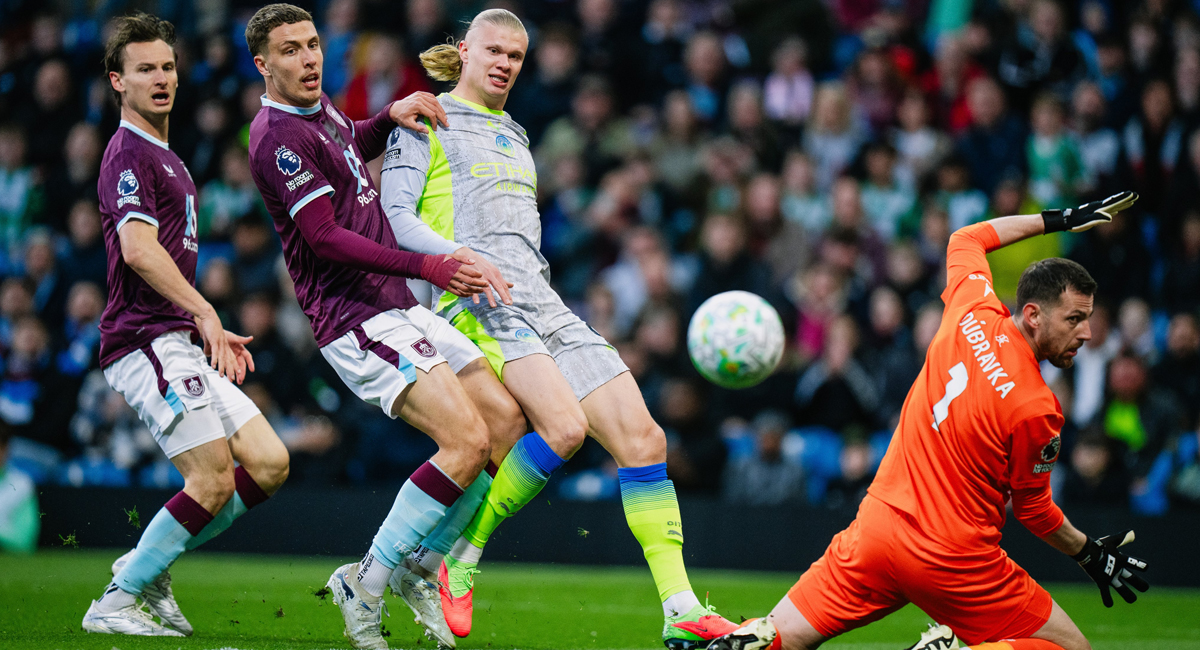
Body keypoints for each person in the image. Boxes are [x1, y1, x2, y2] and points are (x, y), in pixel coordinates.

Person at [379, 9, 738, 649]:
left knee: (644, 438)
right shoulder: (424, 117)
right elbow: (395, 216)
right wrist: (454, 263)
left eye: (516, 56)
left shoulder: (516, 131)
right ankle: (459, 560)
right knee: (564, 428)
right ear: (464, 50)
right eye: (493, 50)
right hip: (473, 296)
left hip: (540, 296)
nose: (504, 64)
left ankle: (680, 609)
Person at [708, 192, 1151, 650]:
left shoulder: (971, 308)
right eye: (1075, 318)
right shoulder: (1037, 408)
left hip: (877, 530)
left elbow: (968, 236)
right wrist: (1088, 552)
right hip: (954, 559)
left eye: (1089, 319)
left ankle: (735, 638)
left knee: (782, 636)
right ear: (1034, 316)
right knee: (1070, 649)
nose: (1088, 333)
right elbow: (1034, 512)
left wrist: (1059, 219)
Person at [243, 6, 526, 649]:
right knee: (464, 443)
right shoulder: (275, 138)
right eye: (290, 51)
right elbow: (327, 239)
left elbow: (347, 156)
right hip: (357, 316)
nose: (309, 59)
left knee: (506, 426)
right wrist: (429, 264)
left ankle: (422, 569)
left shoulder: (322, 111)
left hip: (398, 305)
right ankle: (366, 581)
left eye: (313, 44)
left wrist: (383, 121)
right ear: (264, 64)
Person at [81, 14, 291, 638]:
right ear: (118, 81)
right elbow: (140, 249)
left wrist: (197, 322)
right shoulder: (127, 152)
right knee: (210, 479)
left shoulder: (167, 156)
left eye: (167, 66)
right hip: (144, 340)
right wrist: (205, 312)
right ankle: (117, 598)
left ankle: (150, 562)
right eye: (144, 69)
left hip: (176, 340)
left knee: (271, 463)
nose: (161, 78)